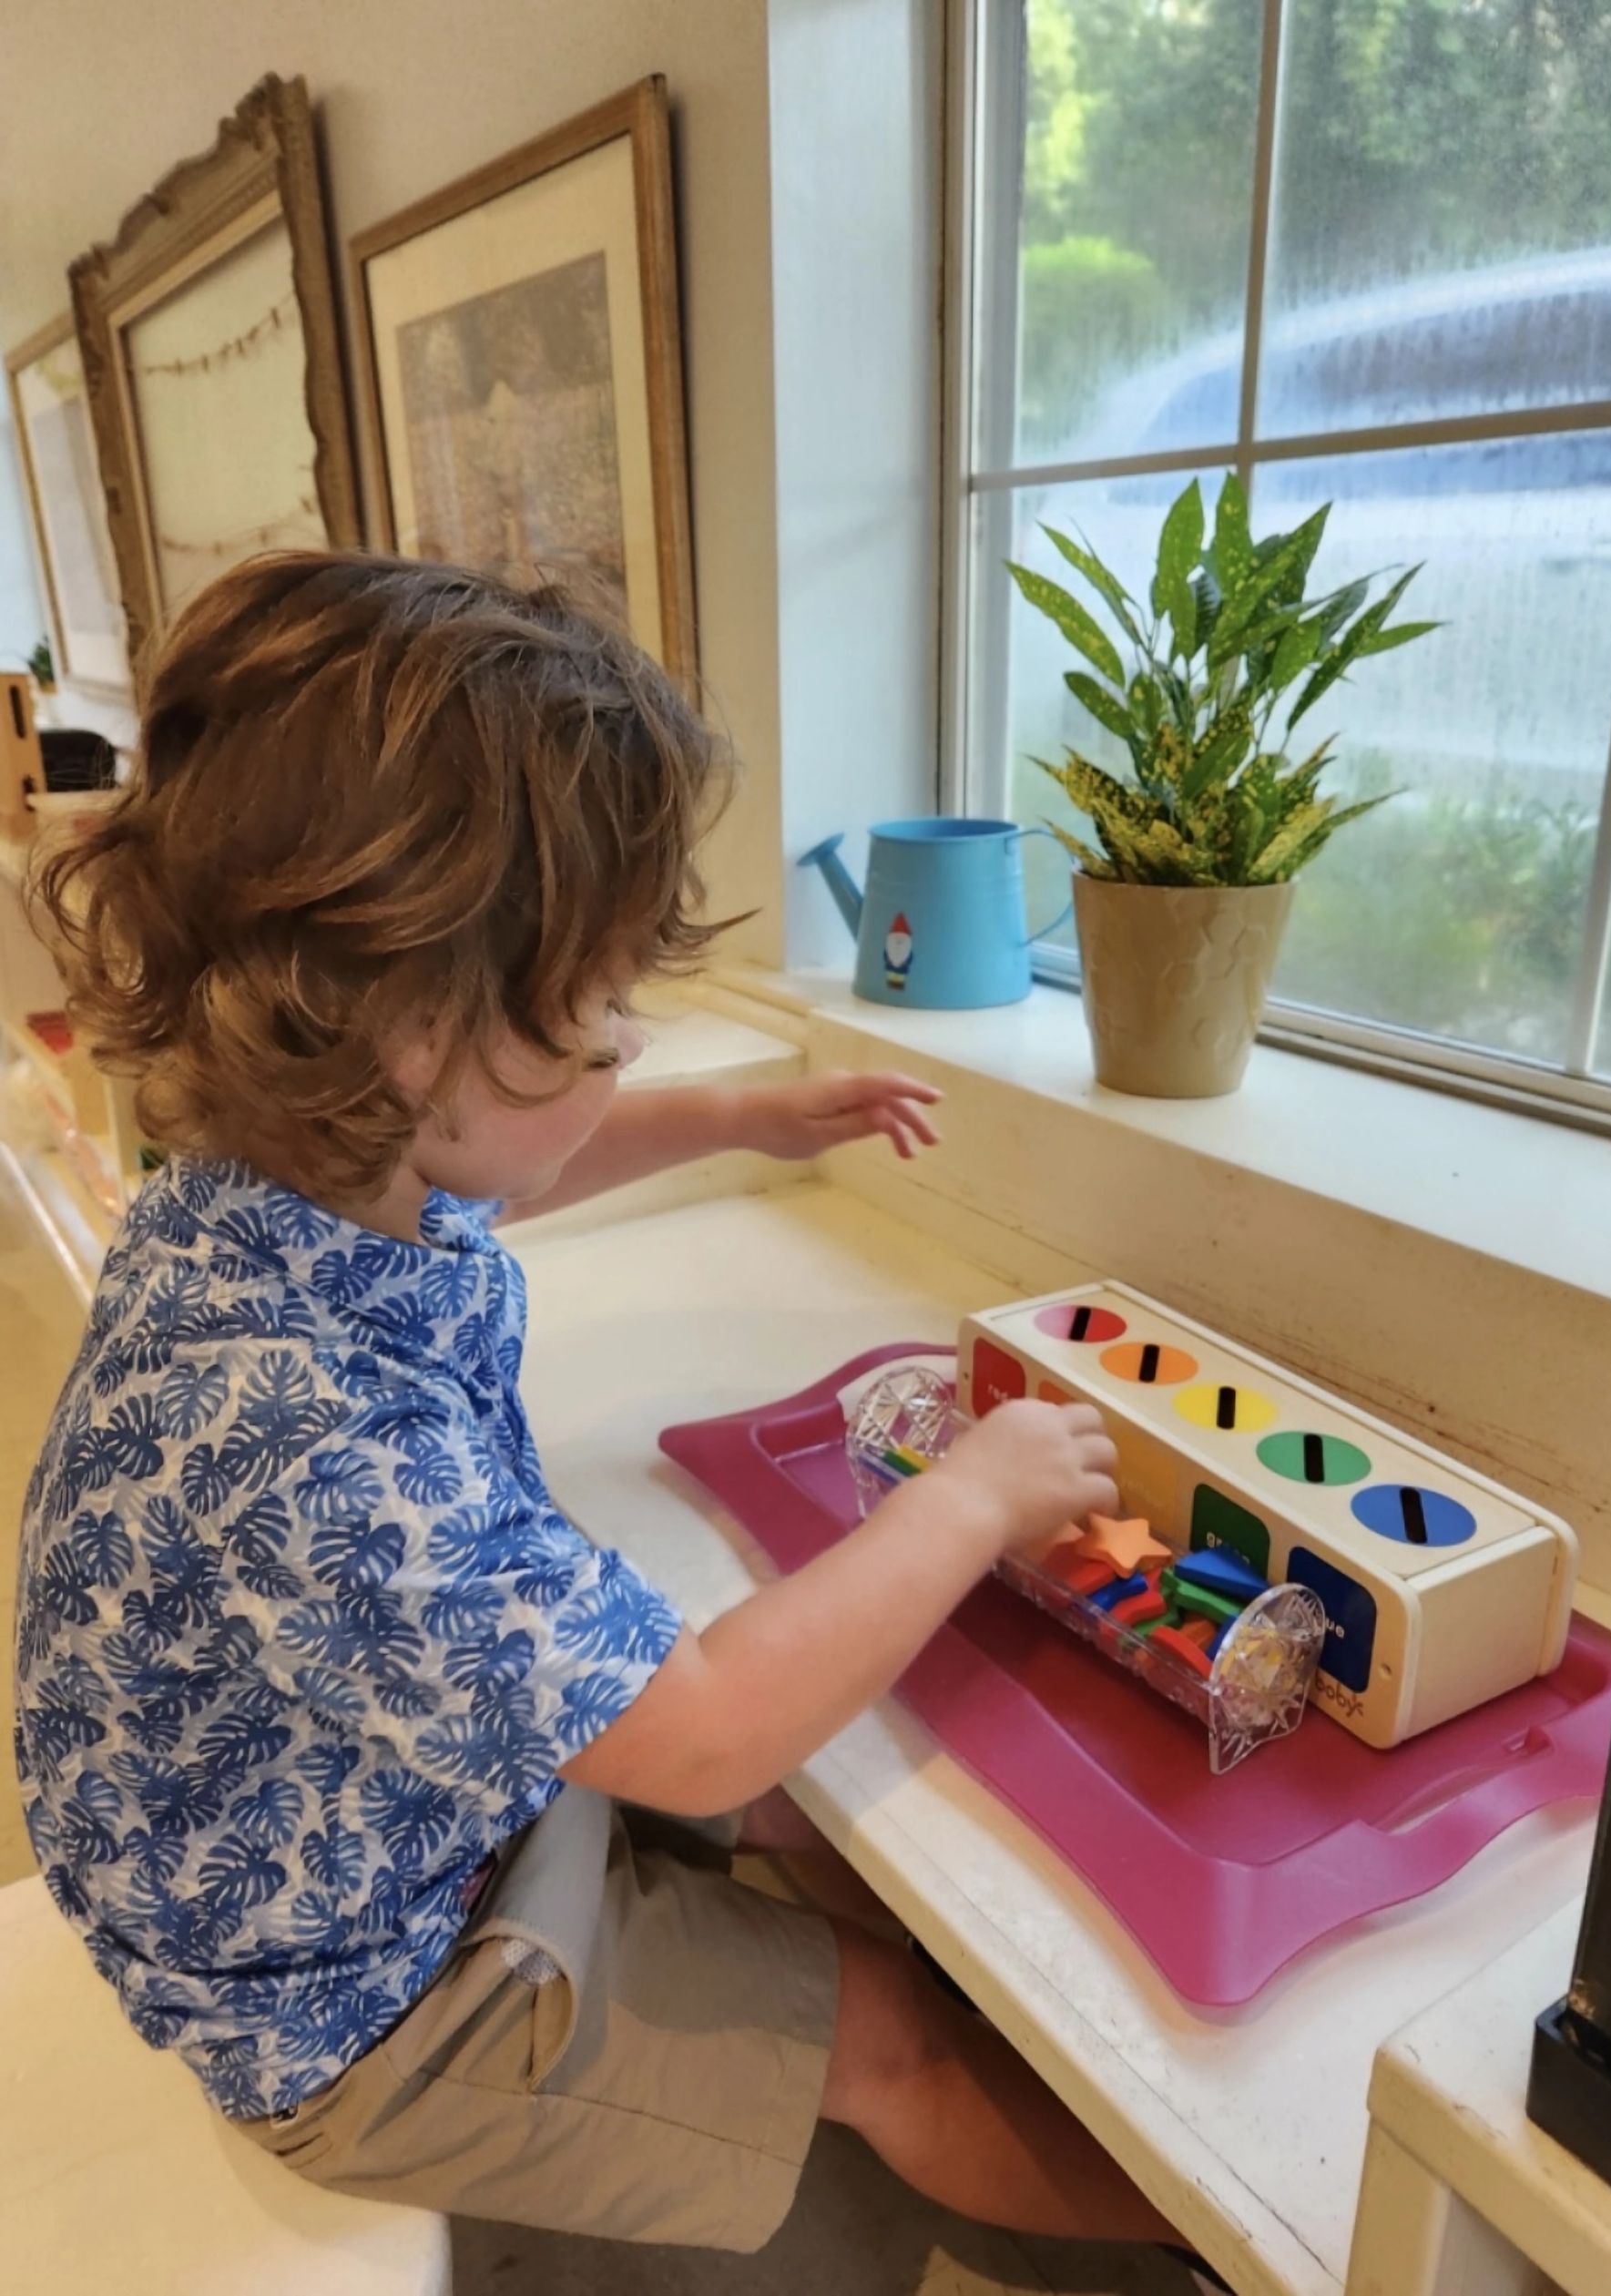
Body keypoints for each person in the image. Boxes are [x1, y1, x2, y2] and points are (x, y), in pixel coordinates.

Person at [15, 551, 1198, 2270]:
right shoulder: (315, 1441)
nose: (631, 1044)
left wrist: (743, 1120)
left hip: (331, 1829)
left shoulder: (263, 1184)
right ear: (419, 1034)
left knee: (826, 1814)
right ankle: (1216, 2256)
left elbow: (489, 1179)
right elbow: (707, 1722)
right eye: (600, 1009)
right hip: (341, 2013)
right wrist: (972, 1495)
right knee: (890, 2035)